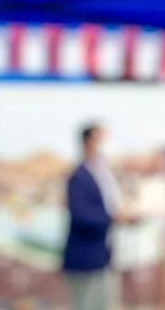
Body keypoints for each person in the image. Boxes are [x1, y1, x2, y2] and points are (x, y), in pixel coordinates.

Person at [62, 123, 130, 310]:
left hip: (102, 254)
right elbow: (81, 215)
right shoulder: (79, 176)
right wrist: (112, 218)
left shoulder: (103, 173)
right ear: (87, 142)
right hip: (85, 256)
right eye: (99, 139)